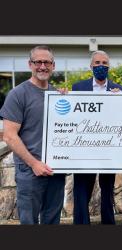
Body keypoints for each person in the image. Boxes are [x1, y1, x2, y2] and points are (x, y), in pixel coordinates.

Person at [0, 45, 65, 224]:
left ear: (53, 66)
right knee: (28, 221)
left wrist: (70, 100)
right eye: (38, 62)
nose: (42, 66)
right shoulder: (18, 94)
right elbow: (9, 136)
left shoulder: (58, 95)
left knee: (52, 221)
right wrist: (34, 163)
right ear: (30, 64)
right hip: (30, 171)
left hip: (55, 169)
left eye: (47, 62)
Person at [72, 50, 122, 224]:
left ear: (108, 66)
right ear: (91, 66)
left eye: (104, 63)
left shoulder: (120, 90)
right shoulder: (78, 88)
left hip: (109, 149)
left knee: (107, 191)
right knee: (82, 191)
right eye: (97, 63)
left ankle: (108, 224)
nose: (100, 66)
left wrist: (121, 100)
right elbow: (72, 116)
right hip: (85, 149)